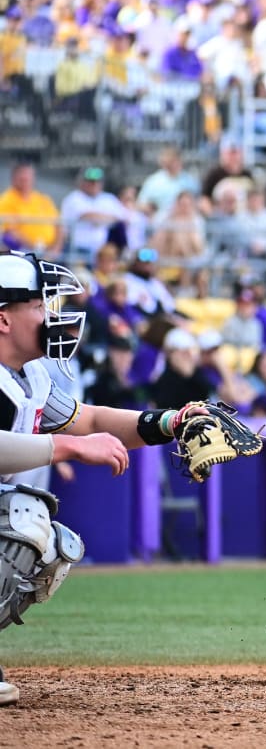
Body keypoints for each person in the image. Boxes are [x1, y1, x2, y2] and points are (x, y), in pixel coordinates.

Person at [0, 250, 209, 706]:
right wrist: (68, 448)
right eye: (37, 305)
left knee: (50, 547)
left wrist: (169, 423)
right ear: (3, 320)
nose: (49, 314)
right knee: (22, 521)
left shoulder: (29, 374)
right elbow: (72, 438)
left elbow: (88, 419)